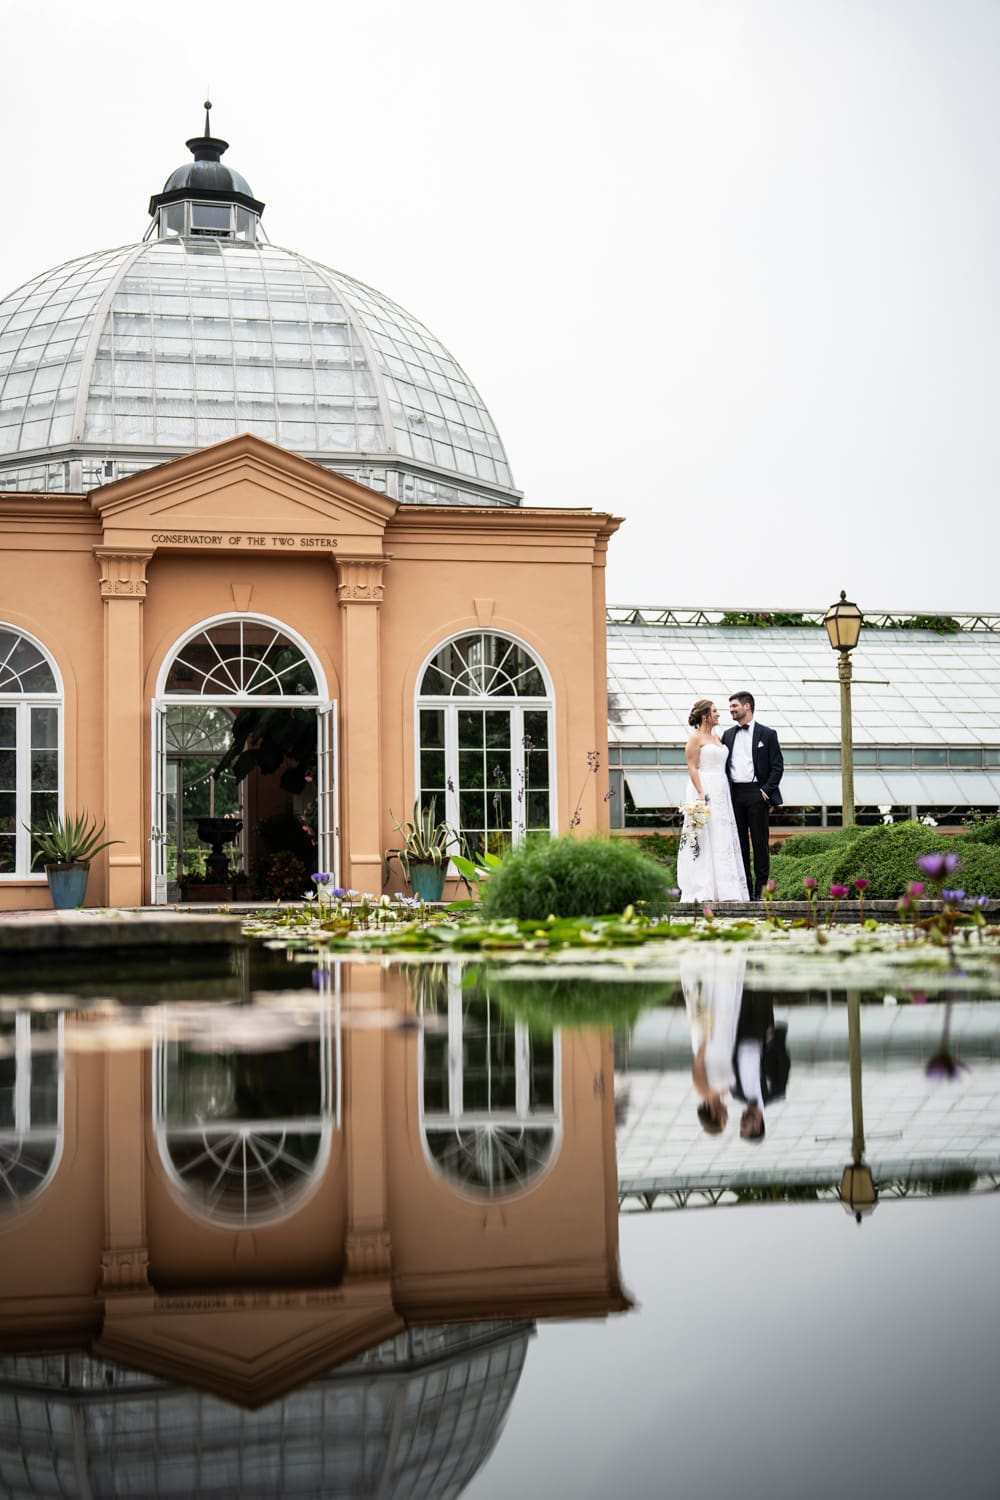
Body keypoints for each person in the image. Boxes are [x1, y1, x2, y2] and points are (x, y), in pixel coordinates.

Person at [676, 699, 749, 904]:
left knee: (722, 835)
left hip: (721, 789)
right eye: (715, 711)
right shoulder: (695, 739)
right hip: (704, 787)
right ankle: (703, 888)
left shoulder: (717, 737)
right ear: (705, 715)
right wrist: (700, 794)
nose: (719, 714)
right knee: (705, 837)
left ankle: (726, 889)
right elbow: (692, 767)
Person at [722, 691, 784, 900]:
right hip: (735, 795)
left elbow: (777, 766)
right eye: (730, 707)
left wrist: (765, 791)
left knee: (760, 844)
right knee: (738, 845)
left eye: (734, 706)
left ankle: (762, 892)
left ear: (747, 706)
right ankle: (744, 891)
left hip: (757, 793)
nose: (731, 710)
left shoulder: (768, 734)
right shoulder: (727, 735)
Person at [681, 946, 746, 1134]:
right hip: (726, 1041)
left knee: (712, 997)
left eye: (724, 1121)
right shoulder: (724, 1092)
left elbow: (699, 1062)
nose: (727, 1118)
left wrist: (706, 1036)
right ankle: (728, 955)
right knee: (726, 1000)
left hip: (709, 1039)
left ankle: (709, 953)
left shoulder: (702, 1090)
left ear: (715, 1118)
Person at [731, 990, 790, 1140]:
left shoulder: (736, 1093)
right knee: (761, 991)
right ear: (757, 1126)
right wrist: (775, 1038)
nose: (741, 1122)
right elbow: (783, 1063)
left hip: (739, 1031)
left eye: (741, 1126)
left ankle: (742, 966)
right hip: (762, 1033)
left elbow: (730, 1065)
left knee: (741, 991)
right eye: (745, 1126)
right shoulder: (776, 1092)